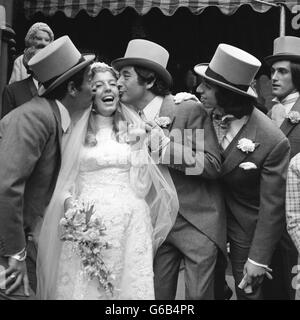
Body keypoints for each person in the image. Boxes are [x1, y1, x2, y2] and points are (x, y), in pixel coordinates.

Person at [36, 62, 179, 300]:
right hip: (89, 224)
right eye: (99, 85)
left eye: (113, 84)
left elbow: (143, 184)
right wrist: (71, 207)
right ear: (89, 92)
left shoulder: (132, 127)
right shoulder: (73, 130)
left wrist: (145, 145)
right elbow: (60, 181)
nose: (108, 89)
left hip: (132, 222)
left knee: (129, 289)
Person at [112, 39, 226, 300]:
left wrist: (163, 147)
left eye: (125, 75)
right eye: (118, 75)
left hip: (196, 221)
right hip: (156, 225)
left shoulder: (185, 109)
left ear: (149, 81)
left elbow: (210, 165)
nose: (118, 83)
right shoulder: (124, 117)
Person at [0, 35, 95, 300]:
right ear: (73, 89)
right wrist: (15, 253)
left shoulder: (53, 116)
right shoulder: (34, 118)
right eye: (89, 81)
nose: (94, 89)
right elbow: (7, 187)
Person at [195, 43, 290, 300]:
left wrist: (258, 259)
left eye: (207, 86)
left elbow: (272, 207)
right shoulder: (197, 115)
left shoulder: (272, 140)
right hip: (202, 226)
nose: (198, 90)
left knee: (248, 293)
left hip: (244, 232)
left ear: (226, 94)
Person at [263, 35, 300, 300]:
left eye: (282, 71)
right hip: (266, 218)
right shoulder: (267, 112)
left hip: (294, 219)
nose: (274, 77)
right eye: (273, 71)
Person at [2, 46, 41, 118]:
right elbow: (6, 126)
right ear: (30, 66)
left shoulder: (57, 89)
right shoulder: (12, 91)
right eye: (40, 58)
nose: (46, 62)